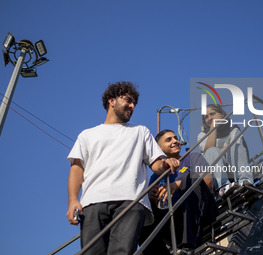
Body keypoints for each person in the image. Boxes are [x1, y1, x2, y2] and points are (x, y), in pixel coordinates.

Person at [66, 82, 180, 255]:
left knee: (121, 252)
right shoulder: (87, 135)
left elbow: (156, 164)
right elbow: (77, 169)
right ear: (112, 101)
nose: (132, 106)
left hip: (130, 201)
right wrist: (73, 200)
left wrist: (165, 164)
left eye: (134, 102)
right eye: (128, 100)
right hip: (93, 202)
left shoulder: (140, 131)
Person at [140, 129, 218, 255]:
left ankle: (189, 246)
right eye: (169, 140)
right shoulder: (157, 176)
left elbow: (208, 183)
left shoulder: (193, 157)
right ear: (159, 148)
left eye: (175, 138)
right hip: (175, 220)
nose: (175, 141)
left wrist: (177, 184)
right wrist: (152, 199)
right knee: (142, 214)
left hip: (202, 213)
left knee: (190, 178)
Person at [197, 104, 253, 198]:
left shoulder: (233, 130)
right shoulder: (202, 136)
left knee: (235, 146)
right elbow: (209, 150)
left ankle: (245, 181)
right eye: (206, 117)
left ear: (221, 115)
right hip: (216, 173)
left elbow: (237, 149)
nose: (209, 118)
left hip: (233, 168)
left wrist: (222, 150)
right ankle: (223, 187)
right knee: (212, 151)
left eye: (212, 114)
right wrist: (213, 127)